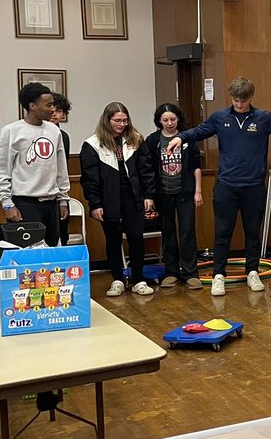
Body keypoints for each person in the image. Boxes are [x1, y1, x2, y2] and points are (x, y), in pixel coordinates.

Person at [168, 77, 271, 297]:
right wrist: (180, 138)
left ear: (250, 98)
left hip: (253, 186)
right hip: (226, 186)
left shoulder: (263, 119)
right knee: (223, 232)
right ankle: (218, 275)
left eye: (243, 100)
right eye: (235, 100)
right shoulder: (220, 117)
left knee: (253, 231)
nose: (239, 104)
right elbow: (198, 132)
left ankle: (252, 271)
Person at [80, 102, 154, 297]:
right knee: (113, 240)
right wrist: (95, 203)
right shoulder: (92, 144)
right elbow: (89, 179)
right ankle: (117, 280)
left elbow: (146, 170)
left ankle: (138, 279)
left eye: (124, 120)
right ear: (108, 120)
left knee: (136, 238)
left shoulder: (136, 140)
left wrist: (148, 195)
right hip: (108, 199)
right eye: (117, 121)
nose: (121, 124)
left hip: (133, 196)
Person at [0, 82, 69, 243]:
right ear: (33, 106)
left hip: (51, 203)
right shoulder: (11, 131)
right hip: (25, 203)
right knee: (29, 256)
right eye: (49, 105)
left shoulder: (55, 131)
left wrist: (63, 199)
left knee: (51, 254)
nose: (53, 109)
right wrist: (7, 204)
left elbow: (60, 169)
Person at [140, 103, 203, 290]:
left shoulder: (188, 139)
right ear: (159, 121)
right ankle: (171, 272)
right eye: (165, 120)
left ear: (178, 119)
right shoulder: (153, 141)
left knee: (187, 232)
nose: (169, 123)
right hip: (163, 194)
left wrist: (198, 191)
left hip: (186, 193)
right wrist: (149, 195)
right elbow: (148, 170)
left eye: (173, 119)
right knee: (168, 233)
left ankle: (191, 273)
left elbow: (196, 167)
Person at [50, 93, 73, 246]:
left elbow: (62, 169)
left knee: (62, 235)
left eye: (59, 111)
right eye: (51, 110)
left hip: (59, 193)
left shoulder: (63, 136)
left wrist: (63, 198)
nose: (54, 114)